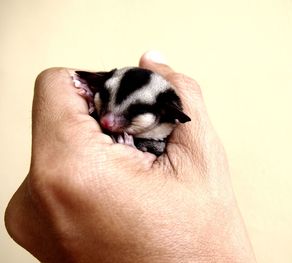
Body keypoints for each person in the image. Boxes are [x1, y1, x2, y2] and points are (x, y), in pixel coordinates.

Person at [5, 51, 256, 263]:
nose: (108, 119)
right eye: (106, 100)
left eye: (131, 112)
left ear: (165, 114)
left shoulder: (164, 137)